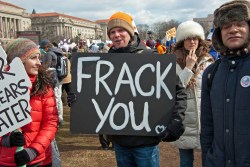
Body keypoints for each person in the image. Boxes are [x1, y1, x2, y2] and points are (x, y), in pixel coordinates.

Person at [104, 11, 186, 167]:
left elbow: (179, 91)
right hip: (119, 139)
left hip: (146, 141)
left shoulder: (152, 58)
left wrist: (176, 120)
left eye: (121, 30)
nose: (117, 35)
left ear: (131, 32)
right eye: (112, 32)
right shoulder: (105, 63)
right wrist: (80, 98)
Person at [200, 0, 250, 166]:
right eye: (226, 26)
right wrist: (208, 160)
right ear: (219, 33)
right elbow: (207, 127)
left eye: (239, 24)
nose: (233, 29)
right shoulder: (211, 73)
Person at [0, 38, 58, 167]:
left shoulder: (43, 86)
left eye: (39, 58)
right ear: (19, 60)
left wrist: (33, 151)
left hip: (38, 159)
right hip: (8, 160)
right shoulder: (2, 86)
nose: (39, 62)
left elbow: (51, 123)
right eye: (33, 58)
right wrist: (6, 140)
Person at [172, 20, 214, 167]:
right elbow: (175, 89)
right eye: (188, 38)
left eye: (195, 38)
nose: (192, 41)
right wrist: (188, 67)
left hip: (205, 118)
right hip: (185, 119)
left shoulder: (208, 61)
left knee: (208, 159)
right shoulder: (174, 62)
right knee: (186, 160)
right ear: (182, 41)